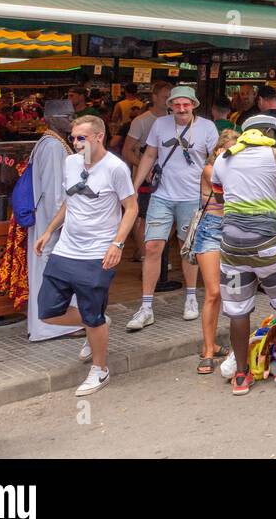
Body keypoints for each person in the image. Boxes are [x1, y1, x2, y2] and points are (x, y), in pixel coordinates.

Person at [34, 115, 138, 397]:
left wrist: (117, 245)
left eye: (82, 137)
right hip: (66, 248)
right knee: (48, 311)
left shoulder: (115, 168)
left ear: (98, 137)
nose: (76, 142)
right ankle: (97, 324)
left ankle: (100, 368)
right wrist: (49, 231)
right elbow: (70, 201)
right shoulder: (70, 163)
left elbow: (131, 208)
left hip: (97, 252)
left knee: (93, 315)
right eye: (73, 137)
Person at [213, 115, 276, 394]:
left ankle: (242, 376)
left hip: (232, 248)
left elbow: (220, 196)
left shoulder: (224, 158)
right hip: (268, 245)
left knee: (238, 308)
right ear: (269, 131)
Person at [128, 85, 218, 330]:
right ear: (170, 105)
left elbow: (214, 160)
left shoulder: (207, 127)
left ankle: (190, 297)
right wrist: (134, 186)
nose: (181, 109)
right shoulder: (160, 125)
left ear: (194, 105)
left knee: (187, 248)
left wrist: (214, 194)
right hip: (163, 195)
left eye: (186, 104)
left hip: (193, 197)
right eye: (176, 104)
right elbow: (149, 156)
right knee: (152, 246)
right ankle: (146, 306)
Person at [25, 101, 81, 342]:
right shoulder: (52, 147)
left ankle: (58, 324)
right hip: (50, 224)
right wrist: (56, 227)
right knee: (48, 273)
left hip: (51, 222)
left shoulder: (55, 143)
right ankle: (49, 326)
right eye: (67, 116)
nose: (72, 119)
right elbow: (53, 192)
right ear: (52, 118)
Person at [192, 130, 234, 375]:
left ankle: (214, 344)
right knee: (213, 291)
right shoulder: (210, 170)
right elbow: (224, 194)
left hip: (232, 228)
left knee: (230, 292)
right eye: (226, 150)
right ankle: (208, 350)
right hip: (210, 229)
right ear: (218, 150)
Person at [123, 79, 172, 278]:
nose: (168, 101)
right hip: (146, 176)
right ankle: (146, 256)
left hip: (169, 176)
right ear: (154, 97)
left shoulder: (174, 118)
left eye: (171, 97)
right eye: (165, 97)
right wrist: (145, 166)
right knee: (143, 216)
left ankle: (159, 256)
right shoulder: (141, 121)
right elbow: (127, 150)